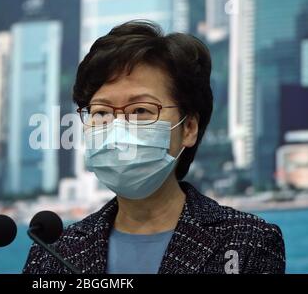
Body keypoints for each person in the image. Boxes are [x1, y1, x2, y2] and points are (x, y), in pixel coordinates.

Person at [23, 20, 285, 274]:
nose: (117, 129)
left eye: (140, 110)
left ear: (189, 128)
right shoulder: (53, 253)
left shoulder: (247, 243)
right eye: (101, 113)